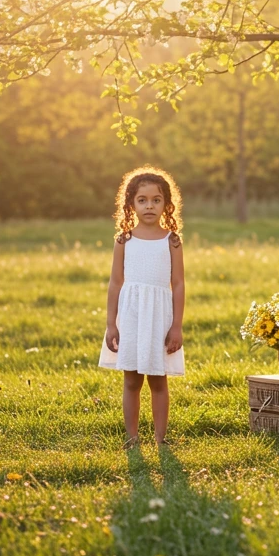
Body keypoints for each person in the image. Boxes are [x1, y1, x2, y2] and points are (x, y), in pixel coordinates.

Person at [99, 166, 185, 447]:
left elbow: (179, 284)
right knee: (132, 381)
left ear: (166, 204)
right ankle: (132, 438)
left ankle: (161, 440)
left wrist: (176, 326)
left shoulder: (171, 241)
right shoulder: (124, 240)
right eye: (142, 200)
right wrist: (112, 324)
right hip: (132, 316)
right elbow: (115, 283)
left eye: (156, 200)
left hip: (160, 317)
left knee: (158, 382)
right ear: (131, 204)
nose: (150, 205)